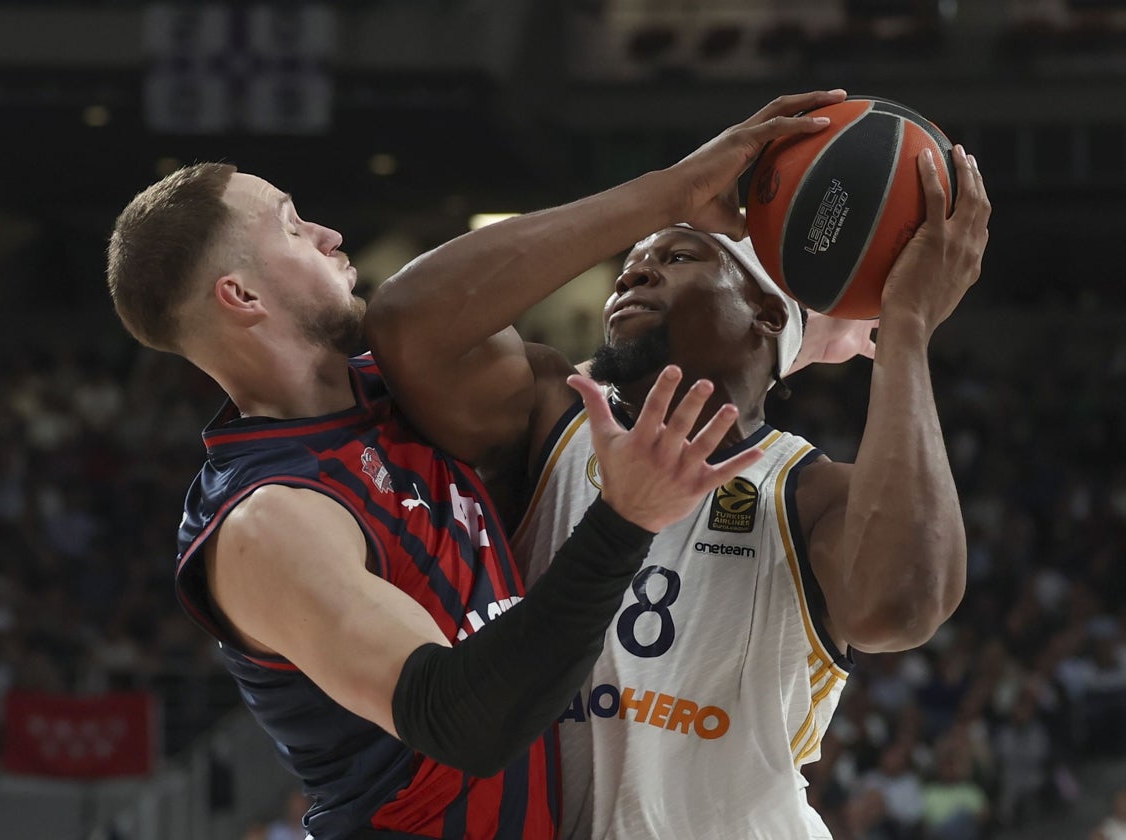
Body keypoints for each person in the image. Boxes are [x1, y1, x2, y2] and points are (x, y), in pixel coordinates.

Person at [365, 89, 991, 838]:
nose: (634, 272)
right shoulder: (546, 416)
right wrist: (667, 194)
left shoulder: (813, 491)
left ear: (765, 314)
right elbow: (407, 323)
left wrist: (908, 329)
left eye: (678, 255)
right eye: (630, 263)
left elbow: (902, 607)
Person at [105, 163, 766, 839]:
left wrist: (793, 332)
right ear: (241, 294)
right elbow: (462, 723)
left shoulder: (397, 393)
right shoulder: (266, 520)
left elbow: (616, 388)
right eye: (292, 225)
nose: (329, 234)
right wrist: (623, 522)